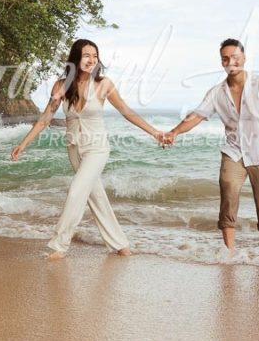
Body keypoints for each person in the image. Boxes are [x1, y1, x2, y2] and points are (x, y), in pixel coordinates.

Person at [10, 39, 164, 259]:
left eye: (95, 56)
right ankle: (121, 246)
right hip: (74, 148)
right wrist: (23, 144)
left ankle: (59, 245)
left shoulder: (104, 84)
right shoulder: (61, 86)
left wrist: (155, 132)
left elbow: (126, 111)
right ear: (76, 58)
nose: (92, 60)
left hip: (97, 148)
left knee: (76, 191)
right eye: (86, 55)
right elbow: (46, 118)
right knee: (96, 197)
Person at [163, 38, 259, 251]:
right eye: (226, 59)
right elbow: (196, 116)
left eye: (235, 57)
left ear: (244, 58)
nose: (231, 62)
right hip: (234, 152)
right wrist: (174, 132)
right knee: (228, 191)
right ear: (222, 63)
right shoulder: (217, 92)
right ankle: (230, 251)